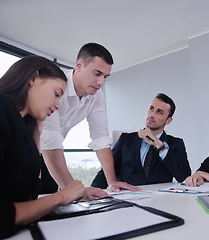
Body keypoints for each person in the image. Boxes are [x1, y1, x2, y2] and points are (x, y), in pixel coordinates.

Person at [0, 56, 85, 238]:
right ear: (33, 78)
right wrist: (61, 197)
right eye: (57, 94)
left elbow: (28, 195)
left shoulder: (22, 126)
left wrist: (38, 127)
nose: (58, 106)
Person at [40, 43, 139, 198]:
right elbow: (49, 138)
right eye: (97, 73)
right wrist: (76, 192)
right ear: (79, 65)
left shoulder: (96, 96)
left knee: (49, 207)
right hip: (20, 151)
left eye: (105, 77)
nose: (101, 82)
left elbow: (100, 137)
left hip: (50, 155)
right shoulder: (55, 85)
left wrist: (111, 181)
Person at [91, 93, 192, 187]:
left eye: (159, 112)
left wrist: (160, 145)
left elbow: (184, 177)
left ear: (168, 120)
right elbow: (108, 170)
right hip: (129, 197)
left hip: (161, 200)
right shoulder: (126, 139)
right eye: (151, 109)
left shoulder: (176, 143)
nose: (152, 114)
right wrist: (92, 192)